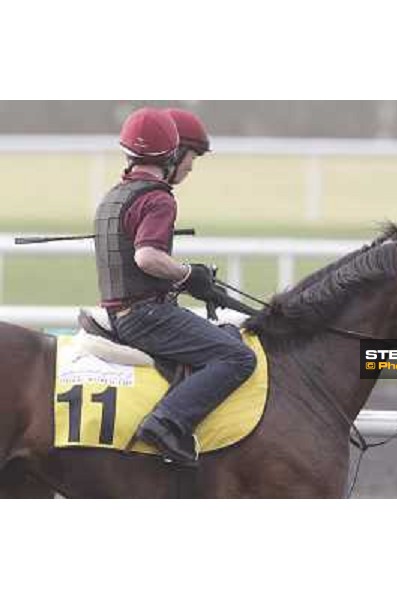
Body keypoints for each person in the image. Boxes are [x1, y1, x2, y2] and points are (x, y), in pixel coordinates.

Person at [94, 106, 257, 465]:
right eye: (191, 161)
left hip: (122, 311)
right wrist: (187, 274)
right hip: (146, 316)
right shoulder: (158, 198)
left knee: (228, 334)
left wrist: (181, 280)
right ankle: (166, 423)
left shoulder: (114, 195)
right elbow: (146, 258)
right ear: (173, 154)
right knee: (238, 356)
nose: (190, 169)